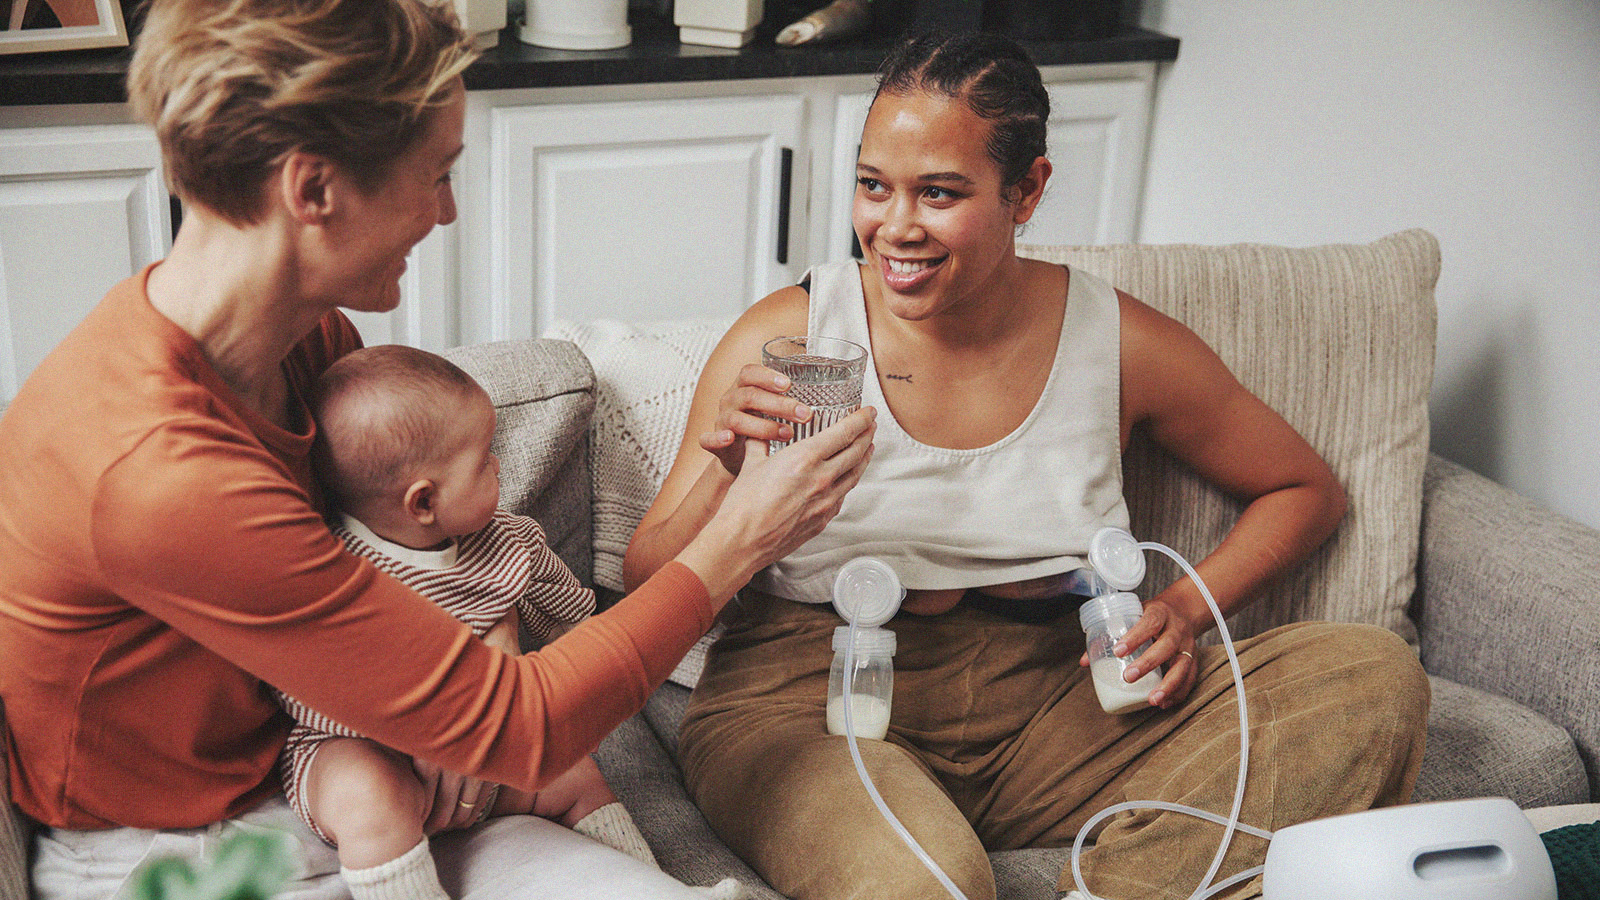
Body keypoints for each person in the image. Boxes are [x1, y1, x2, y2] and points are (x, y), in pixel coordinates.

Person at [0, 1, 874, 899]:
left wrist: (481, 648)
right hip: (179, 852)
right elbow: (521, 724)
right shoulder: (156, 467)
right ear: (314, 190)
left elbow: (418, 579)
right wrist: (740, 542)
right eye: (436, 174)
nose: (448, 213)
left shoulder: (300, 345)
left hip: (337, 774)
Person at [624, 30, 1430, 900]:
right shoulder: (794, 334)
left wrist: (1185, 611)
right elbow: (642, 581)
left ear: (1027, 189)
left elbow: (1303, 489)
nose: (894, 227)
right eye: (872, 186)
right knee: (925, 886)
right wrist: (728, 471)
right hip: (812, 701)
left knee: (1375, 678)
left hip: (1056, 703)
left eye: (938, 193)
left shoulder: (1118, 339)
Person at [274, 344, 659, 897]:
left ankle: (652, 881)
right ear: (422, 502)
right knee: (371, 799)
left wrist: (548, 686)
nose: (500, 464)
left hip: (482, 754)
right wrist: (430, 726)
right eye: (485, 459)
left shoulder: (510, 543)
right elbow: (301, 690)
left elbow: (578, 626)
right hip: (357, 749)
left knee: (574, 773)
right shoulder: (335, 571)